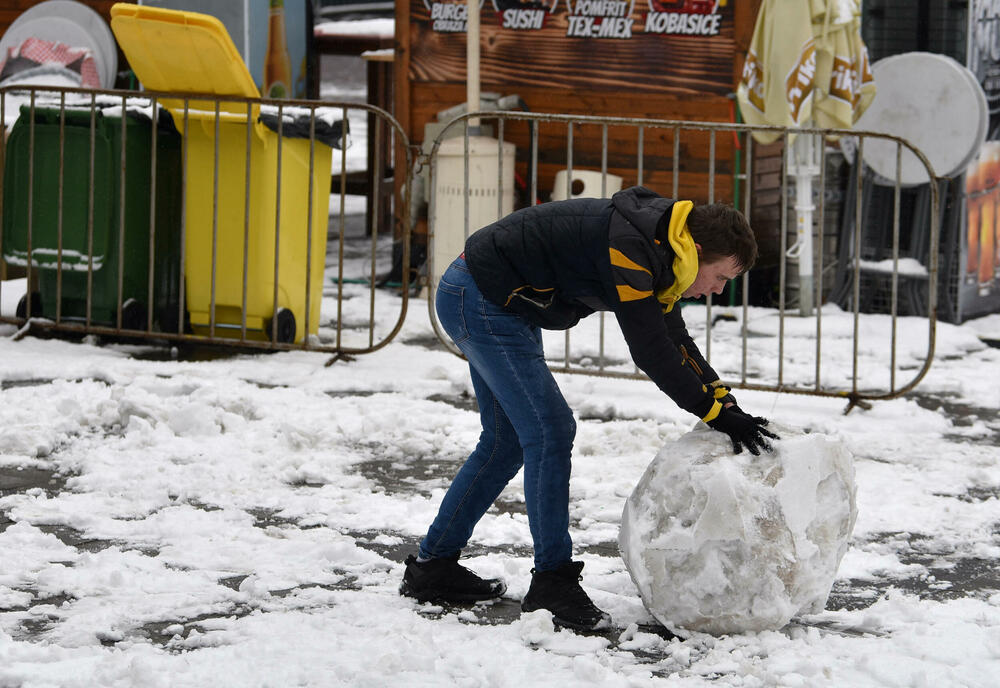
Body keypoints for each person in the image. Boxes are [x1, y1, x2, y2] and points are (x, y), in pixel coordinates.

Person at [399, 185, 778, 631]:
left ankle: (433, 567)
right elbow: (651, 348)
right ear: (696, 250)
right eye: (720, 277)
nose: (717, 289)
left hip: (501, 301)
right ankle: (552, 582)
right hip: (479, 298)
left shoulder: (664, 250)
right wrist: (712, 413)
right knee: (550, 430)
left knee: (506, 442)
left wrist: (723, 403)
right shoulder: (633, 248)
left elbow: (674, 338)